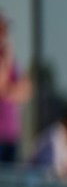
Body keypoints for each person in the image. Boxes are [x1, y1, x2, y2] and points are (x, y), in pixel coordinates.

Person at [0, 12, 29, 165]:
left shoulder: (12, 60)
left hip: (11, 134)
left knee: (10, 177)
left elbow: (26, 91)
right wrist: (6, 58)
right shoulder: (7, 59)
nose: (4, 35)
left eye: (5, 30)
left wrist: (8, 90)